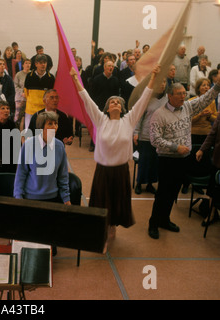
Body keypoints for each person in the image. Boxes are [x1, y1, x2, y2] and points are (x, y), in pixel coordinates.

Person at [70, 64, 160, 248]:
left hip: (120, 171)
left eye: (118, 102)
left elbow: (144, 99)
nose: (115, 103)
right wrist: (74, 78)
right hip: (103, 171)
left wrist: (153, 78)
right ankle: (102, 231)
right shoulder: (100, 120)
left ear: (123, 107)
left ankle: (112, 228)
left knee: (117, 205)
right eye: (112, 102)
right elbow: (86, 99)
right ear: (107, 107)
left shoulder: (129, 120)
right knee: (102, 204)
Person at [148, 76, 220, 240]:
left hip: (183, 159)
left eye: (184, 93)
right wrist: (175, 147)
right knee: (163, 194)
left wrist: (218, 86)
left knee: (173, 193)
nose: (183, 96)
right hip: (167, 160)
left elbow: (205, 99)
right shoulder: (159, 115)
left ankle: (165, 220)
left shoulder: (187, 107)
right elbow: (155, 140)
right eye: (179, 94)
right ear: (170, 96)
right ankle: (153, 223)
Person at [14, 111, 71, 256]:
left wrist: (66, 198)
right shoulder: (29, 145)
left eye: (55, 123)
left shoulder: (59, 146)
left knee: (50, 247)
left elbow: (63, 176)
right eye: (50, 124)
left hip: (51, 197)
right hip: (31, 197)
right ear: (41, 127)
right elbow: (21, 173)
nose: (54, 126)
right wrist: (18, 196)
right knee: (33, 239)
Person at [133, 80, 168, 195]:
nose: (162, 84)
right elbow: (139, 116)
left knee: (155, 162)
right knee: (144, 160)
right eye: (160, 82)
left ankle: (150, 184)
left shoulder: (168, 99)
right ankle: (139, 183)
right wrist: (136, 132)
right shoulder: (147, 98)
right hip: (146, 135)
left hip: (161, 136)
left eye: (164, 83)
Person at [23, 54, 55, 130]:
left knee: (43, 133)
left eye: (44, 62)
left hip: (44, 111)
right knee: (29, 132)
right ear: (36, 64)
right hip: (30, 110)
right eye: (41, 63)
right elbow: (26, 92)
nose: (43, 64)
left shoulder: (51, 78)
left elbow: (52, 95)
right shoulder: (29, 76)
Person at [13, 59, 31, 125]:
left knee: (28, 116)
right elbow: (15, 86)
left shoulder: (32, 74)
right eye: (26, 63)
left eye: (29, 63)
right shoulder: (18, 74)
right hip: (20, 98)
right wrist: (22, 93)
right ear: (23, 65)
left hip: (29, 98)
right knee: (18, 115)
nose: (28, 65)